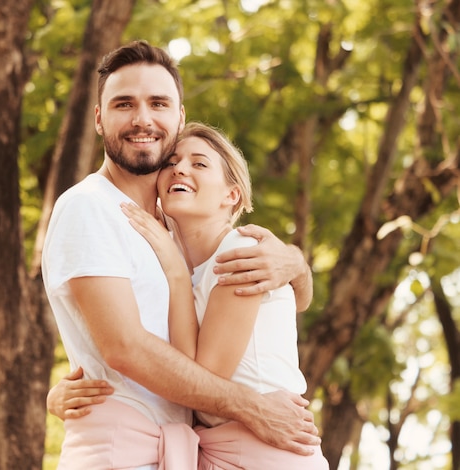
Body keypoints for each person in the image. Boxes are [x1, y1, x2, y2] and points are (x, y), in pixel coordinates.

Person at [41, 40, 318, 469]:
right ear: (98, 119)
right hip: (125, 453)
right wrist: (248, 406)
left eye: (158, 103)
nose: (142, 119)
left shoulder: (169, 227)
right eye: (123, 104)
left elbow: (282, 305)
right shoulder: (89, 205)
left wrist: (295, 264)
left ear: (179, 116)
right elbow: (125, 348)